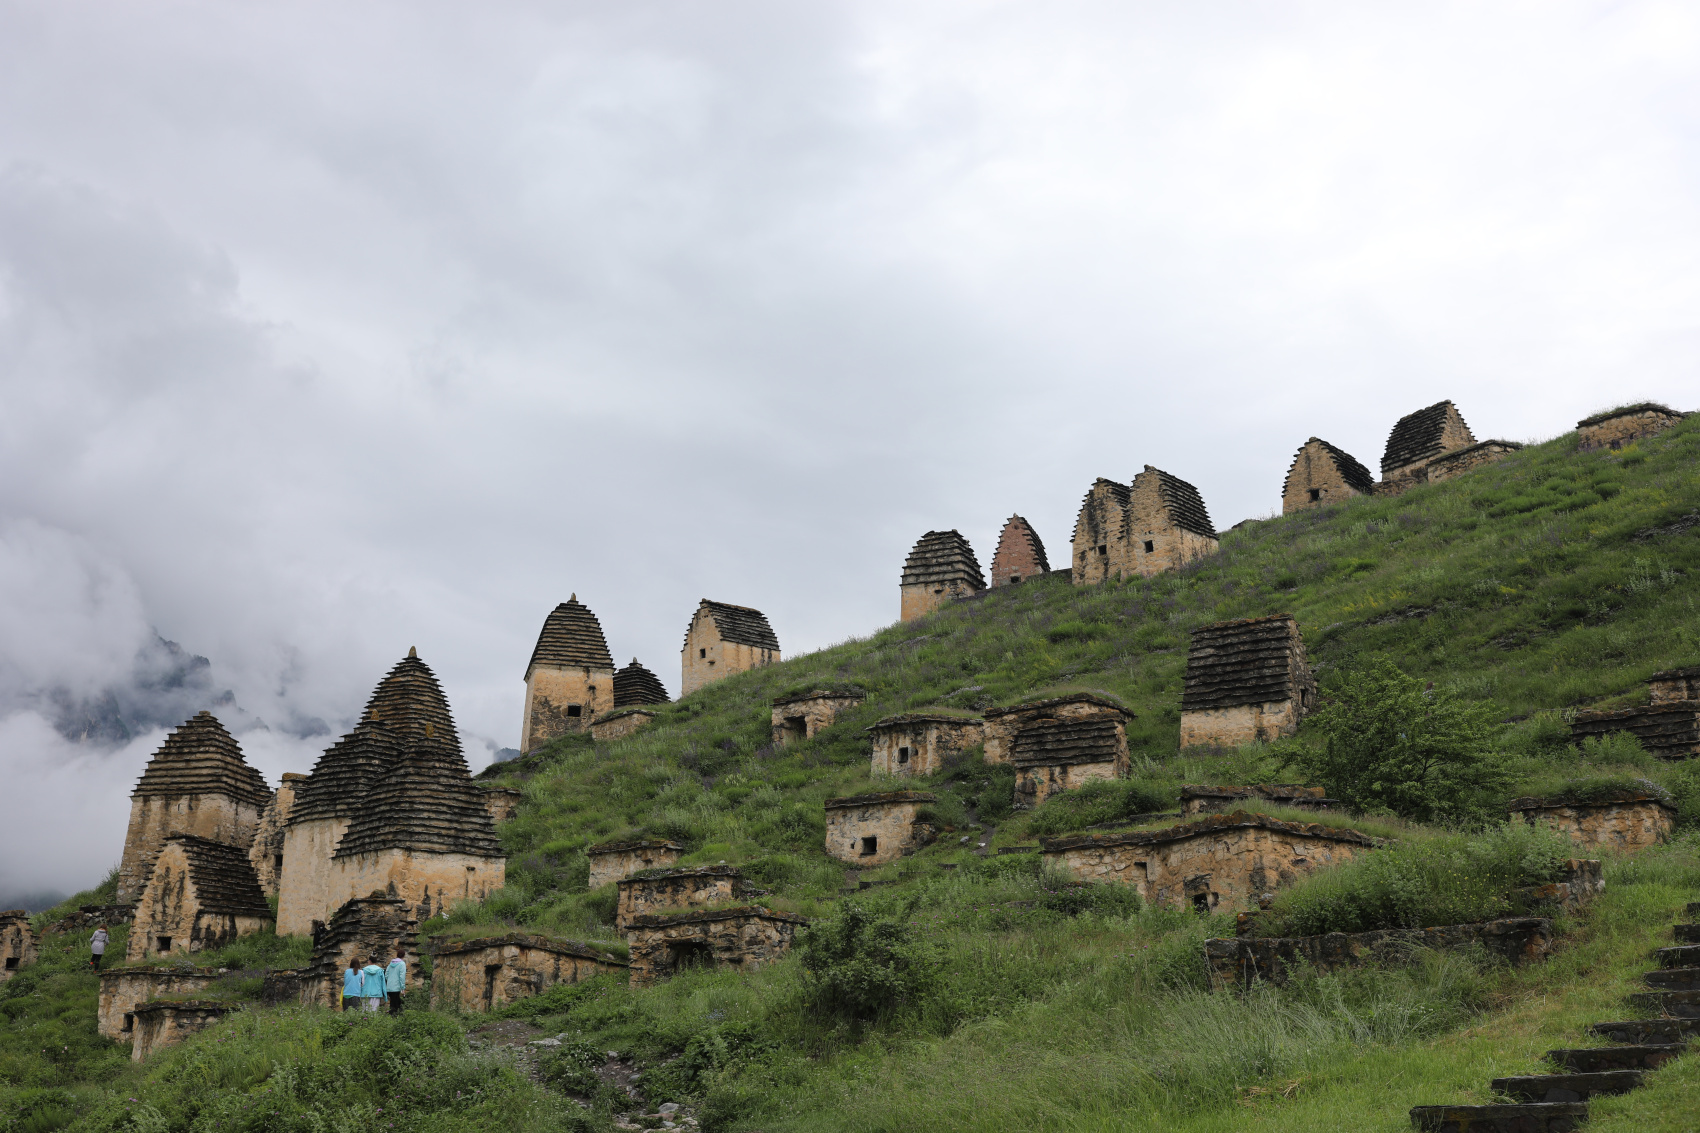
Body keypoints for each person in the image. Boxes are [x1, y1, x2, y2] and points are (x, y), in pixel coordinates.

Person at [385, 947, 407, 1015]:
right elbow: (402, 977)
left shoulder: (391, 963)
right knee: (397, 1005)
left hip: (389, 987)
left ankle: (392, 1018)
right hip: (397, 987)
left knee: (393, 1003)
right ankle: (395, 1019)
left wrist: (389, 982)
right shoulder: (402, 964)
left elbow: (386, 975)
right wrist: (402, 987)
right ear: (403, 955)